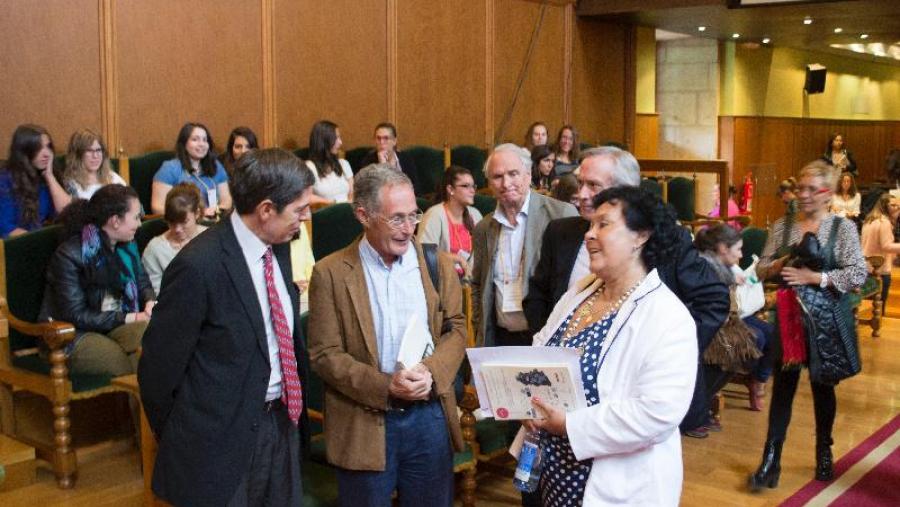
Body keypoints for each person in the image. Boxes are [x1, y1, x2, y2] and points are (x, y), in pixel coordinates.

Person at [139, 148, 314, 506]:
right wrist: (188, 440)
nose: (307, 217)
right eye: (299, 209)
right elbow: (158, 372)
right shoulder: (198, 266)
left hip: (281, 425)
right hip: (216, 444)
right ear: (266, 210)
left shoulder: (277, 246)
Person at [522, 146, 729, 441]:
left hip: (623, 419)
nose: (581, 193)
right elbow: (541, 300)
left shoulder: (664, 237)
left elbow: (713, 300)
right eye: (580, 183)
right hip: (558, 411)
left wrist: (668, 354)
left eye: (593, 185)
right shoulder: (564, 239)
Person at [522, 186, 698, 506]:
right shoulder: (583, 290)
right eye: (590, 225)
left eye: (603, 224)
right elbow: (542, 345)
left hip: (618, 488)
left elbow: (656, 413)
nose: (589, 234)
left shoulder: (668, 317)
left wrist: (570, 426)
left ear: (640, 236)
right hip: (555, 477)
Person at [308, 164, 466, 506]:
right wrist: (385, 386)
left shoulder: (436, 265)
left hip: (429, 419)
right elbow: (325, 355)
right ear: (363, 215)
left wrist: (431, 372)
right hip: (365, 422)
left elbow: (456, 328)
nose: (409, 229)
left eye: (414, 215)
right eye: (397, 218)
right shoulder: (330, 273)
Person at [749, 160, 867, 491]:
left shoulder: (842, 229)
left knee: (822, 388)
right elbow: (760, 270)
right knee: (782, 390)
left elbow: (858, 272)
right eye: (800, 187)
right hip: (788, 317)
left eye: (810, 189)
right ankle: (770, 459)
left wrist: (816, 276)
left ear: (827, 193)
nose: (802, 194)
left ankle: (824, 451)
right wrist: (785, 262)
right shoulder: (783, 227)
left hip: (826, 321)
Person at [39, 184, 154, 377]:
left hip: (114, 322)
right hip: (72, 333)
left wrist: (150, 301)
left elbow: (142, 281)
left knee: (158, 340)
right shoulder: (70, 255)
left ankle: (144, 405)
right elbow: (75, 314)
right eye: (135, 217)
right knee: (122, 364)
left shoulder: (127, 244)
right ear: (115, 221)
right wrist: (132, 317)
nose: (140, 224)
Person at [471, 143, 578, 349]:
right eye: (497, 177)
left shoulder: (561, 215)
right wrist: (479, 324)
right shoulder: (484, 228)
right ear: (489, 183)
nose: (506, 183)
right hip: (501, 340)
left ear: (528, 175)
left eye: (513, 174)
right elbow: (478, 284)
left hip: (548, 339)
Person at [693, 225, 774, 415]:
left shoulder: (725, 266)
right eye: (738, 249)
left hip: (731, 315)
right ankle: (701, 401)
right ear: (723, 248)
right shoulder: (706, 267)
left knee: (773, 335)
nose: (741, 255)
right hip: (713, 322)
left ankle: (756, 381)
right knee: (750, 342)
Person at [0, 124, 69, 238]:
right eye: (38, 148)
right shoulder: (5, 180)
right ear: (24, 152)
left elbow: (67, 213)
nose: (46, 154)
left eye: (48, 147)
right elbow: (7, 229)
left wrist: (50, 177)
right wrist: (39, 243)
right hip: (15, 246)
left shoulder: (45, 176)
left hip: (38, 241)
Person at [151, 122, 231, 219]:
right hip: (184, 223)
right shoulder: (169, 168)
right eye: (195, 139)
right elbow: (158, 207)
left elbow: (227, 201)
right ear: (184, 143)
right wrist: (192, 216)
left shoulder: (216, 166)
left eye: (205, 140)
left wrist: (216, 210)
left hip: (214, 221)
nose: (201, 144)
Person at [417, 165, 483, 278]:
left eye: (473, 186)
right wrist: (457, 259)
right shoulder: (435, 215)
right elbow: (424, 254)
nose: (472, 190)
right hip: (443, 283)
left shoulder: (475, 215)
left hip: (470, 283)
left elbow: (483, 253)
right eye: (466, 186)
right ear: (450, 189)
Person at [141, 183, 207, 294]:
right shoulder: (155, 249)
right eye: (172, 222)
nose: (177, 229)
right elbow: (155, 294)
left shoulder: (211, 238)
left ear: (197, 214)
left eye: (184, 222)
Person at [60, 129, 127, 204]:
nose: (95, 156)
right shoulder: (71, 185)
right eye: (89, 150)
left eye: (98, 150)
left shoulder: (113, 178)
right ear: (78, 155)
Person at [861, 193, 900, 306]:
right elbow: (886, 246)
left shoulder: (869, 219)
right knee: (878, 308)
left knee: (867, 306)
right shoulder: (884, 222)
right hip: (879, 270)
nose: (897, 208)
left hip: (866, 268)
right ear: (884, 206)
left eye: (898, 205)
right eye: (893, 205)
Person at [306, 120, 354, 205]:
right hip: (325, 213)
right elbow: (306, 197)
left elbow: (352, 194)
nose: (340, 142)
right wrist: (331, 204)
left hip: (347, 212)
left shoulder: (344, 163)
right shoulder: (310, 167)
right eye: (336, 138)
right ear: (323, 141)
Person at [360, 122, 419, 190]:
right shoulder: (368, 161)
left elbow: (415, 187)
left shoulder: (405, 158)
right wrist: (383, 166)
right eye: (378, 138)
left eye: (386, 138)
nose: (381, 142)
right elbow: (368, 190)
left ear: (394, 141)